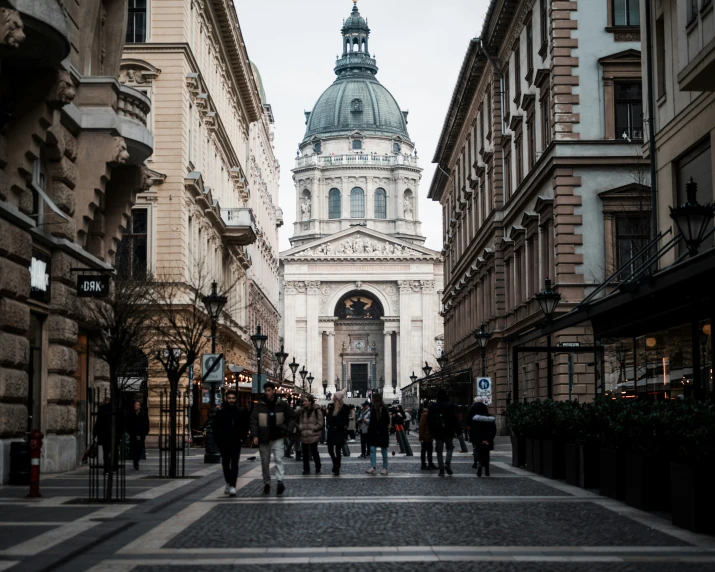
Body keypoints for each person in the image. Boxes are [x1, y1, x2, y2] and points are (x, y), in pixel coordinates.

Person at [250, 381, 294, 495]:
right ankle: (267, 483)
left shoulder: (282, 404)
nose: (267, 393)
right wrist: (255, 435)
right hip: (264, 438)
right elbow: (254, 420)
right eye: (266, 391)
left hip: (278, 437)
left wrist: (287, 430)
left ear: (274, 391)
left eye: (269, 390)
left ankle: (280, 481)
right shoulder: (259, 405)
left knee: (279, 459)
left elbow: (291, 417)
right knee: (265, 462)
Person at [213, 390, 249, 496]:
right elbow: (216, 427)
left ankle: (232, 485)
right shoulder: (221, 412)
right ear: (226, 399)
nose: (231, 400)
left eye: (233, 398)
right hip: (223, 442)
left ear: (235, 399)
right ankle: (228, 482)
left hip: (236, 441)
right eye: (229, 398)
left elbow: (244, 426)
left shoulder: (240, 411)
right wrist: (218, 440)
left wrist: (242, 437)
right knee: (225, 463)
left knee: (234, 464)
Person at [428, 389, 460, 477]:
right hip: (449, 431)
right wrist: (458, 431)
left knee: (439, 452)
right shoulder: (450, 406)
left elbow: (429, 420)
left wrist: (431, 432)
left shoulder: (433, 406)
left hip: (437, 432)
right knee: (450, 448)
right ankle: (447, 463)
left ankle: (441, 470)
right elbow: (455, 419)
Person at [470, 402, 497, 477]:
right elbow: (493, 430)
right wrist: (489, 439)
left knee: (479, 453)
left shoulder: (476, 419)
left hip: (479, 440)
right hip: (488, 440)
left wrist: (478, 439)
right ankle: (487, 471)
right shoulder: (490, 419)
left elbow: (474, 430)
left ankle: (480, 464)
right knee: (487, 454)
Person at [366, 393, 390, 475]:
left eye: (373, 399)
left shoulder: (383, 409)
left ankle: (385, 468)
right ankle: (373, 466)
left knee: (383, 451)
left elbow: (387, 421)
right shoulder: (373, 409)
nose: (371, 400)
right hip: (374, 432)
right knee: (372, 449)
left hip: (382, 432)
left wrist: (379, 428)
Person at [298, 395, 323, 475]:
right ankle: (306, 469)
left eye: (306, 401)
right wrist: (301, 428)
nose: (304, 402)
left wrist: (313, 428)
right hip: (304, 434)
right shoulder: (302, 411)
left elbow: (320, 423)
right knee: (305, 453)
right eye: (304, 401)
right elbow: (300, 421)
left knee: (314, 451)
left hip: (313, 434)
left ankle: (318, 467)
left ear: (310, 402)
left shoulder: (316, 411)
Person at [326, 391, 349, 475]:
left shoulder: (344, 408)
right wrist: (328, 424)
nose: (333, 398)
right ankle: (335, 463)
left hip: (339, 431)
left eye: (334, 396)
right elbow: (328, 417)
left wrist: (338, 426)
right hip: (331, 431)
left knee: (338, 450)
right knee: (330, 449)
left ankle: (337, 467)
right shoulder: (331, 406)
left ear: (338, 398)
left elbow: (345, 421)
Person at [93, 397, 114, 473]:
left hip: (103, 434)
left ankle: (106, 468)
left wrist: (95, 433)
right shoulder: (113, 409)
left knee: (106, 452)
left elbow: (98, 423)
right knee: (111, 451)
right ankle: (111, 466)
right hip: (112, 434)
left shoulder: (101, 410)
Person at [126, 400, 149, 471]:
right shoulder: (131, 414)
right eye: (135, 404)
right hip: (133, 434)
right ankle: (135, 462)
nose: (135, 406)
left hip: (141, 434)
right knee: (134, 448)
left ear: (140, 406)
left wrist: (145, 432)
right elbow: (128, 423)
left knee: (140, 448)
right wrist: (130, 432)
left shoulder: (144, 414)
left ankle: (136, 460)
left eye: (137, 404)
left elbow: (146, 423)